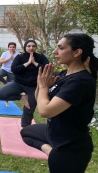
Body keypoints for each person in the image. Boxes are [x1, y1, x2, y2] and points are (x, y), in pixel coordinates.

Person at [21, 33, 97, 173]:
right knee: (26, 132)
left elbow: (45, 111)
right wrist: (41, 84)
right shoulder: (63, 75)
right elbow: (40, 100)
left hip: (70, 147)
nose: (55, 52)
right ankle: (51, 152)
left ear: (77, 52)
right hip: (56, 134)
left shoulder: (80, 81)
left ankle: (56, 155)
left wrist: (44, 87)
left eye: (61, 48)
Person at [0, 40, 49, 127]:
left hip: (34, 86)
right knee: (0, 94)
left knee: (29, 108)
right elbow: (14, 69)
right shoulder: (20, 57)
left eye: (33, 46)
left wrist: (35, 63)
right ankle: (23, 97)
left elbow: (47, 69)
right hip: (18, 83)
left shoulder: (41, 57)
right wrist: (27, 63)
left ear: (35, 47)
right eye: (28, 46)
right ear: (25, 47)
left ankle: (25, 127)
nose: (31, 48)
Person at [0, 42, 20, 106]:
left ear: (15, 48)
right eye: (10, 47)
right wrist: (8, 58)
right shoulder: (5, 53)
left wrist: (13, 58)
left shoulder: (18, 54)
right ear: (8, 48)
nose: (12, 48)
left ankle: (7, 102)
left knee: (8, 88)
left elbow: (19, 64)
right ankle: (5, 82)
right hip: (4, 70)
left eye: (13, 47)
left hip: (12, 72)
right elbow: (0, 62)